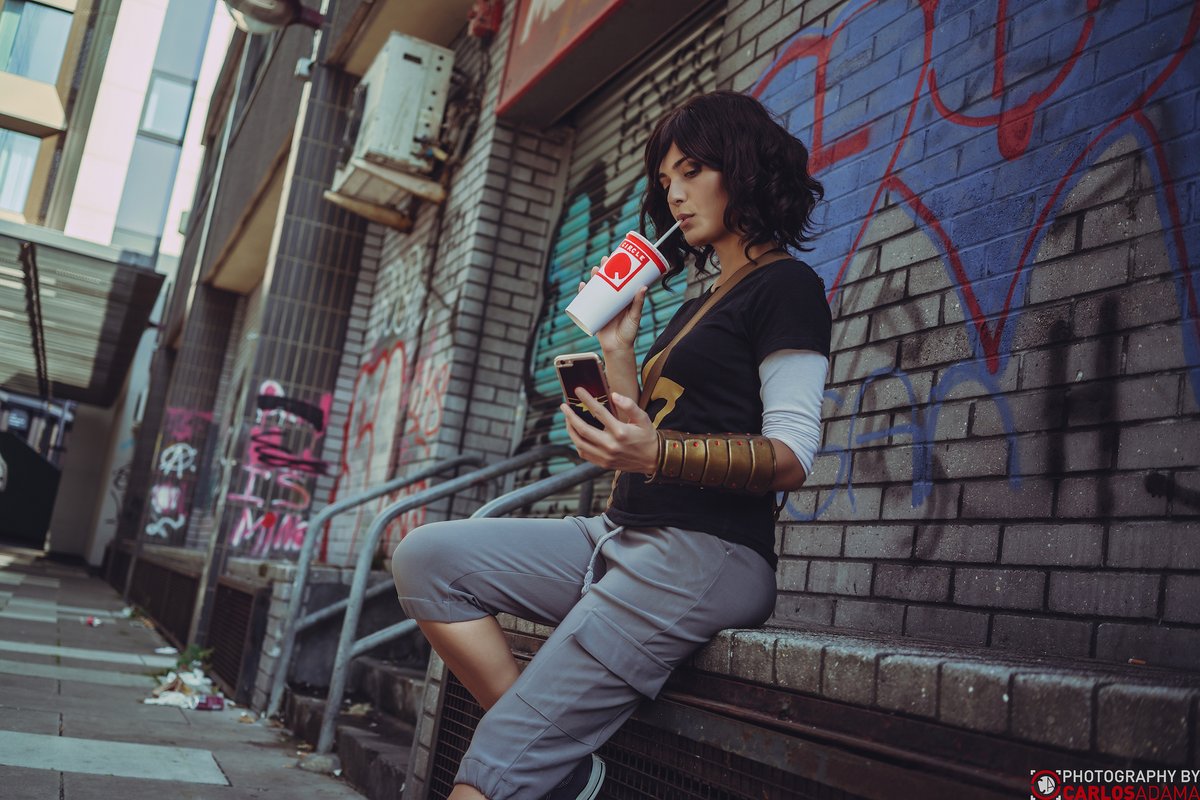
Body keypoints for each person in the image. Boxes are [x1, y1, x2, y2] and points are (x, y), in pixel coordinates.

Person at [391, 90, 831, 800]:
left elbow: (792, 456)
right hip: (620, 533)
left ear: (745, 167)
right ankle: (560, 770)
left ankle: (522, 754)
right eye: (665, 181)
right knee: (427, 557)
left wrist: (656, 453)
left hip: (706, 555)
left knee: (488, 773)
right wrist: (618, 349)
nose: (676, 194)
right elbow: (642, 426)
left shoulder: (788, 286)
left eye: (692, 171)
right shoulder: (699, 300)